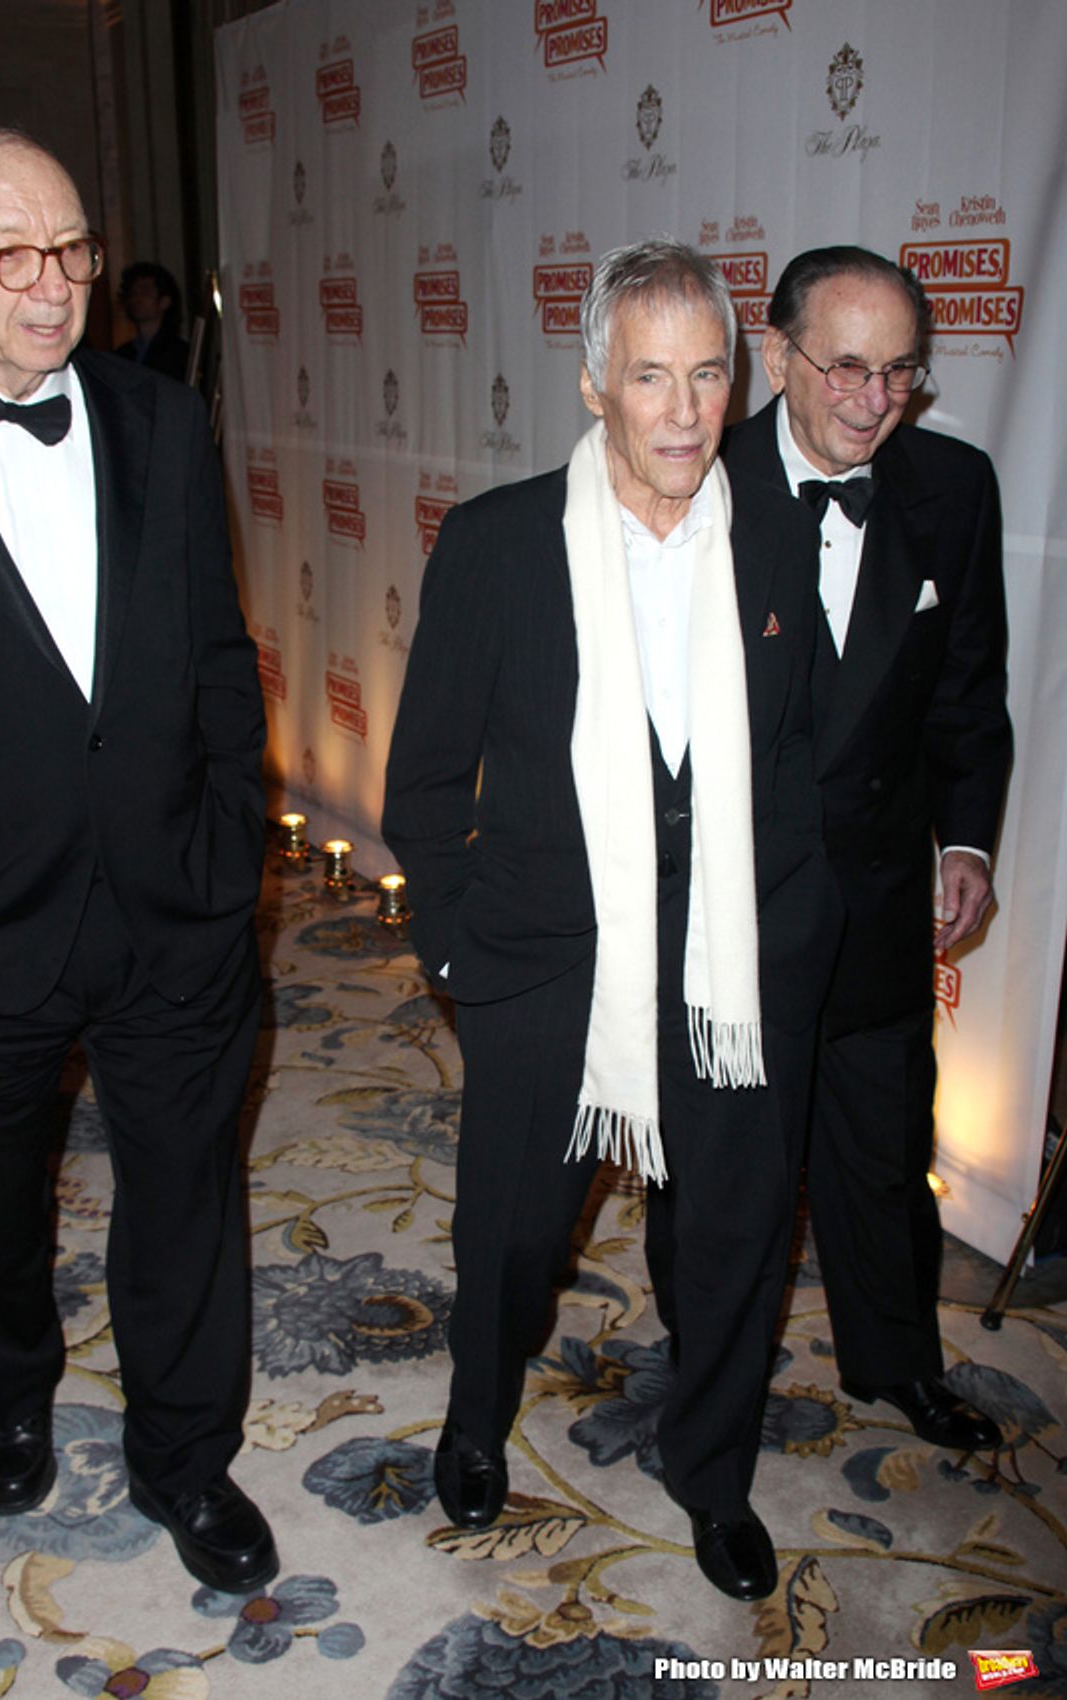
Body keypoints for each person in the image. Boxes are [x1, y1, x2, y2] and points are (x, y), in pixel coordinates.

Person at [383, 238, 842, 1602]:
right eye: (652, 376)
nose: (686, 410)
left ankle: (710, 1475)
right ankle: (478, 1415)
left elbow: (806, 755)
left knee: (730, 1240)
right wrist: (460, 950)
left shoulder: (773, 535)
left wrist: (796, 937)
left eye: (710, 373)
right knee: (514, 1233)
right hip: (542, 959)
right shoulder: (498, 543)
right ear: (595, 384)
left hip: (728, 967)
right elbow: (420, 782)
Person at [0, 128, 275, 1592]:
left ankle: (186, 1457)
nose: (56, 290)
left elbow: (219, 657)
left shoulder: (161, 420)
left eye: (75, 251)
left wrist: (232, 849)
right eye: (11, 256)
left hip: (174, 906)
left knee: (187, 1199)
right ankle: (10, 1390)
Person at [723, 245, 1012, 1453]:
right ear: (779, 353)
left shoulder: (952, 487)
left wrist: (971, 843)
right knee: (725, 1165)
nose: (872, 398)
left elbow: (968, 691)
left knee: (885, 1145)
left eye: (900, 371)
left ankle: (896, 1361)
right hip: (734, 901)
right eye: (845, 365)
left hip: (887, 882)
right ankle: (712, 1374)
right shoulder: (695, 478)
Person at [115, 260, 190, 381]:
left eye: (145, 292)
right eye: (133, 292)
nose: (136, 298)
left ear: (164, 301)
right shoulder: (122, 355)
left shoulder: (180, 355)